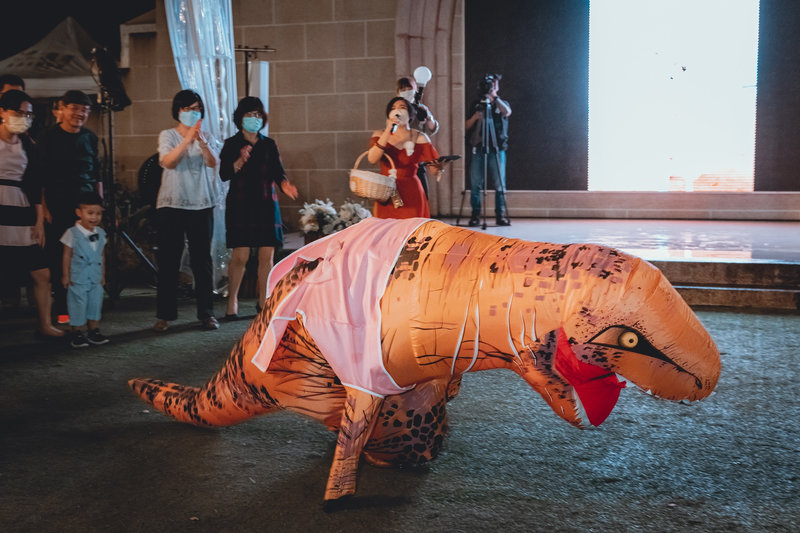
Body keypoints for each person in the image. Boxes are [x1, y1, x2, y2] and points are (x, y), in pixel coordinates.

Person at [218, 96, 298, 319]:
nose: (254, 118)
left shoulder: (268, 144)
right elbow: (224, 174)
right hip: (241, 204)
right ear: (240, 118)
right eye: (249, 114)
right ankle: (232, 300)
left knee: (267, 256)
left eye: (257, 115)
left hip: (265, 203)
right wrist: (239, 161)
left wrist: (285, 185)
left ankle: (263, 300)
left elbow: (278, 173)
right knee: (240, 256)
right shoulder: (231, 144)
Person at [153, 89, 220, 332]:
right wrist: (187, 139)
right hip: (172, 204)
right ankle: (165, 315)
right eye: (188, 109)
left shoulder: (207, 135)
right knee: (169, 260)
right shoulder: (168, 135)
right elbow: (168, 161)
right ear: (178, 111)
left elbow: (214, 163)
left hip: (201, 203)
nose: (193, 113)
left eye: (197, 109)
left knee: (202, 260)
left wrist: (201, 141)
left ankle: (207, 314)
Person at [0, 90, 64, 338]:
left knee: (41, 271)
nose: (24, 118)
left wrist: (38, 220)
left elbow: (35, 185)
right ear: (3, 112)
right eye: (18, 113)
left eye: (28, 114)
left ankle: (45, 324)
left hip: (21, 207)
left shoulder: (29, 145)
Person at [38, 90, 100, 324]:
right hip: (56, 205)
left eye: (84, 109)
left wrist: (98, 209)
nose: (79, 114)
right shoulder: (48, 137)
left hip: (84, 208)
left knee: (83, 258)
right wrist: (43, 208)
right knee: (59, 258)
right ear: (61, 109)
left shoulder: (90, 137)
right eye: (74, 108)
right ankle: (62, 311)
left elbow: (96, 174)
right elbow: (40, 176)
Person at [367, 97, 441, 219]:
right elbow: (372, 159)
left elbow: (434, 169)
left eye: (402, 108)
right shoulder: (379, 134)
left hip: (411, 190)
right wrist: (388, 130)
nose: (397, 111)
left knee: (411, 231)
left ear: (410, 114)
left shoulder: (419, 137)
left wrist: (440, 167)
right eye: (393, 108)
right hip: (387, 190)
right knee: (386, 230)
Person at [61, 191, 108, 348]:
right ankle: (77, 332)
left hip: (95, 276)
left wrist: (103, 275)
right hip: (78, 276)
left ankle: (94, 330)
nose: (94, 217)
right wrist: (66, 275)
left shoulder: (101, 233)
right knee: (77, 303)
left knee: (95, 302)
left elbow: (101, 255)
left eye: (98, 213)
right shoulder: (72, 233)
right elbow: (67, 255)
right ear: (79, 213)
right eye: (90, 213)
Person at [465, 73, 511, 227]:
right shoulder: (477, 104)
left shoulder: (500, 104)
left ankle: (500, 215)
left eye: (494, 85)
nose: (491, 87)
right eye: (489, 85)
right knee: (476, 182)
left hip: (497, 149)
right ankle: (475, 215)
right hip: (478, 148)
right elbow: (466, 126)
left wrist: (494, 97)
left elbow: (507, 112)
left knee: (499, 183)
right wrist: (476, 118)